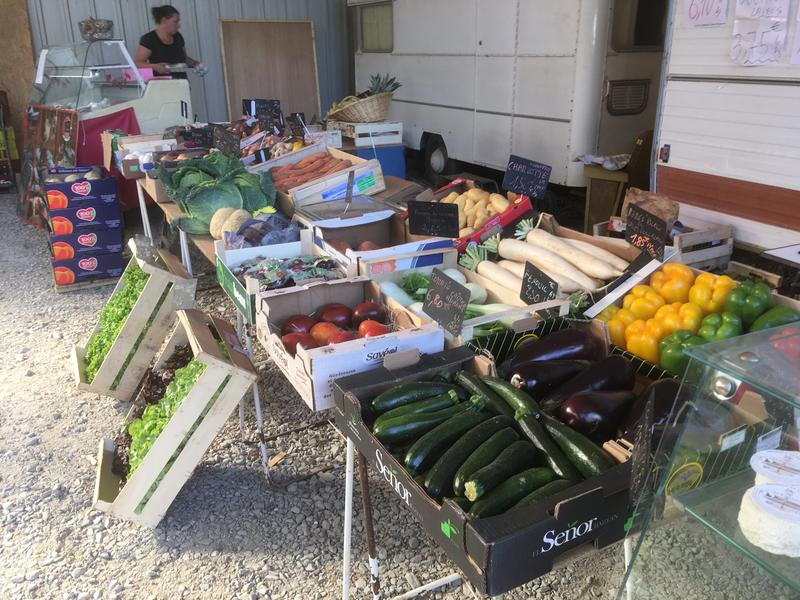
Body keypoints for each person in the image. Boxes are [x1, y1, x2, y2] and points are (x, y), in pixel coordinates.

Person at [134, 5, 199, 78]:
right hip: (161, 85)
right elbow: (137, 63)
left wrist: (195, 64)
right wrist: (155, 66)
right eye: (175, 22)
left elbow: (183, 58)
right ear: (164, 20)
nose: (178, 25)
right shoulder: (149, 39)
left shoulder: (178, 37)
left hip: (182, 84)